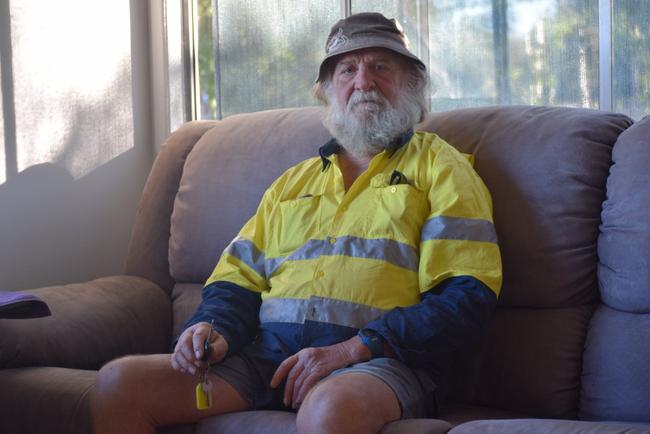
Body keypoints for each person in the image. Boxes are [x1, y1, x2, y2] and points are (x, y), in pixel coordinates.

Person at [91, 12, 502, 434]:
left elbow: (466, 295)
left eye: (381, 66)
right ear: (326, 92)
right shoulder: (292, 182)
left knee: (330, 410)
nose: (363, 82)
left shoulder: (442, 168)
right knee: (119, 384)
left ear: (412, 85)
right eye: (347, 69)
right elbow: (237, 279)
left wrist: (354, 349)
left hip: (380, 362)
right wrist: (212, 328)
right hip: (266, 358)